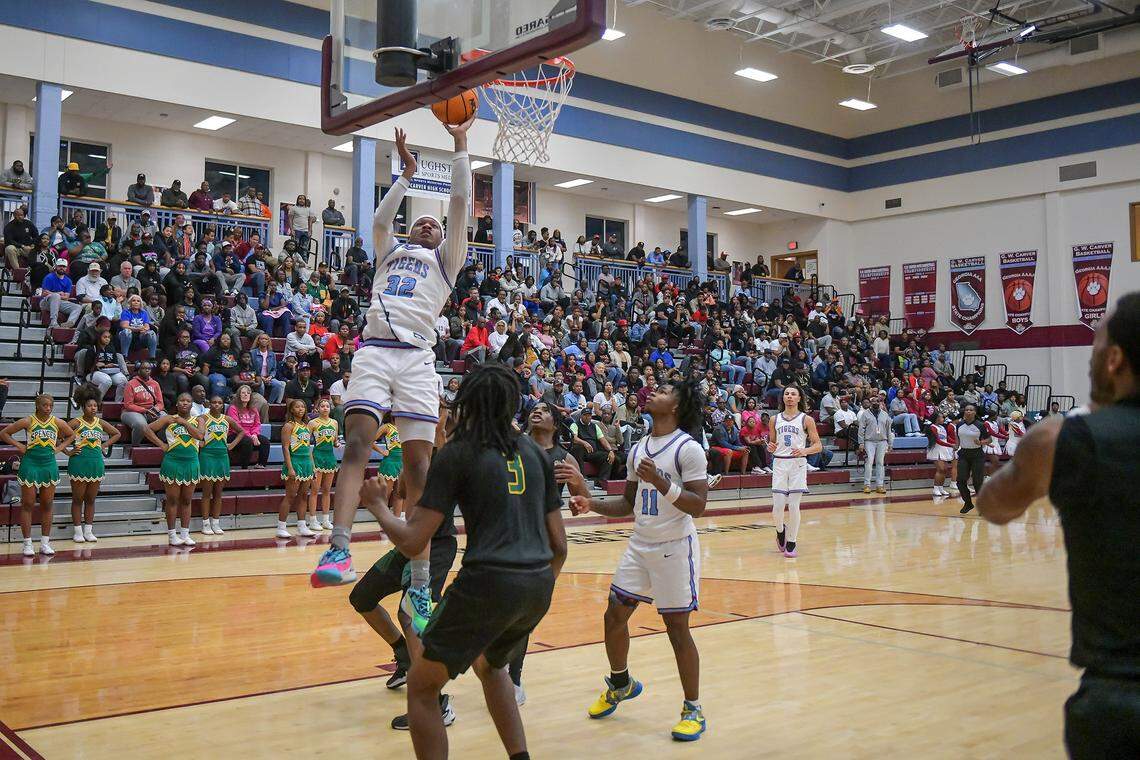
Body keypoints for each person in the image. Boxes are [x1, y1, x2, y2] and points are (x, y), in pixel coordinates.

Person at [310, 112, 475, 634]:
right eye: (420, 222)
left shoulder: (446, 261)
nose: (428, 225)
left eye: (433, 224)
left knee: (419, 470)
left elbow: (459, 205)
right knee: (357, 443)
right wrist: (404, 175)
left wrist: (461, 145)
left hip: (418, 359)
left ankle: (421, 584)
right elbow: (380, 222)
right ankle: (338, 549)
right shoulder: (390, 250)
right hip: (376, 352)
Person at [360, 363, 567, 759]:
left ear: (467, 403)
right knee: (492, 667)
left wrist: (377, 507)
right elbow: (560, 545)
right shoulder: (536, 455)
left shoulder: (458, 453)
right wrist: (534, 586)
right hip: (539, 583)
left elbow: (413, 539)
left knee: (422, 687)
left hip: (487, 583)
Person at [976, 293, 1140, 758]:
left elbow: (994, 505)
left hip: (1119, 693)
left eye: (1094, 345)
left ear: (1114, 359)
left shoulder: (1063, 439)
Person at [561, 378, 709, 741]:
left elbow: (699, 506)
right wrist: (590, 503)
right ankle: (621, 682)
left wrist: (661, 481)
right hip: (640, 544)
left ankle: (693, 708)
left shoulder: (688, 449)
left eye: (664, 390)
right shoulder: (638, 446)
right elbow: (627, 504)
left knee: (677, 630)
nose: (654, 390)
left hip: (675, 547)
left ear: (675, 406)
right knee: (613, 614)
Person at [0, 395, 76, 556]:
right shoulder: (28, 421)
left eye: (51, 405)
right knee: (28, 504)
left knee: (47, 504)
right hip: (30, 464)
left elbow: (72, 435)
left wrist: (59, 448)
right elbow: (5, 433)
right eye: (45, 405)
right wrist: (19, 446)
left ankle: (44, 543)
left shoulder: (57, 422)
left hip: (48, 465)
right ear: (37, 406)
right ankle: (27, 543)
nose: (48, 408)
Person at [767, 385, 822, 558]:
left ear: (799, 398)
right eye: (787, 394)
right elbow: (773, 443)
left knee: (793, 505)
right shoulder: (774, 420)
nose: (789, 396)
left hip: (797, 464)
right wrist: (770, 446)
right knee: (777, 508)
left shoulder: (806, 419)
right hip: (780, 464)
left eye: (793, 394)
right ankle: (780, 531)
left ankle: (791, 542)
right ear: (783, 398)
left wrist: (804, 451)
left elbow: (818, 445)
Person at [143, 394, 204, 546]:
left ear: (192, 405)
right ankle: (172, 535)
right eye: (182, 400)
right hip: (172, 462)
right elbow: (146, 429)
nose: (185, 403)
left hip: (191, 463)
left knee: (187, 500)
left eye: (188, 401)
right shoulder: (168, 419)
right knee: (172, 500)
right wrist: (161, 445)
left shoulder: (199, 420)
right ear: (177, 403)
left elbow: (200, 435)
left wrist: (184, 423)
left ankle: (185, 534)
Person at [64, 389, 121, 543]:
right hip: (79, 462)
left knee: (90, 499)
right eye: (90, 406)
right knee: (78, 499)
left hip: (96, 463)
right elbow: (57, 435)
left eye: (95, 405)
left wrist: (104, 445)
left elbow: (117, 433)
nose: (93, 408)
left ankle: (88, 530)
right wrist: (67, 451)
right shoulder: (76, 422)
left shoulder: (100, 423)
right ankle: (77, 531)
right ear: (83, 407)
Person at [198, 395, 245, 536]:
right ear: (209, 404)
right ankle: (205, 523)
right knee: (206, 493)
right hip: (207, 456)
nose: (216, 405)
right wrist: (198, 442)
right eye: (214, 402)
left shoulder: (227, 419)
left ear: (223, 405)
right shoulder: (202, 418)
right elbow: (195, 433)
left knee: (218, 493)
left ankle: (216, 522)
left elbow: (242, 432)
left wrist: (232, 445)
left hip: (222, 457)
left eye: (219, 402)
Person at [278, 399, 316, 538]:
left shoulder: (306, 426)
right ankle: (281, 526)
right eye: (297, 407)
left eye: (303, 406)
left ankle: (302, 526)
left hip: (306, 464)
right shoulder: (289, 426)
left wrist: (313, 467)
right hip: (294, 463)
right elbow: (285, 448)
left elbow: (308, 448)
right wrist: (290, 468)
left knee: (303, 496)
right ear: (291, 410)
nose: (300, 409)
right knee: (290, 496)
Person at [952, 404, 990, 514]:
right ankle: (968, 503)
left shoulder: (980, 425)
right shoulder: (959, 425)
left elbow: (989, 439)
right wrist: (956, 445)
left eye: (971, 410)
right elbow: (958, 437)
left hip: (977, 454)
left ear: (974, 412)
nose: (968, 411)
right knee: (960, 481)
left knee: (978, 482)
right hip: (963, 453)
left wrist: (981, 442)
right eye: (967, 409)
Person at [308, 399, 338, 533]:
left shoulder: (335, 422)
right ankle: (313, 520)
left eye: (327, 406)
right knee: (315, 490)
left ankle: (326, 519)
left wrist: (337, 444)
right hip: (317, 456)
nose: (325, 408)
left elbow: (335, 441)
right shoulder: (312, 423)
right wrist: (311, 462)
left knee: (327, 490)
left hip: (330, 457)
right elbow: (305, 444)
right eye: (322, 406)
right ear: (317, 408)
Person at [121, 360, 164, 445]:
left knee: (167, 420)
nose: (147, 370)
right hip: (131, 411)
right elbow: (128, 404)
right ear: (139, 370)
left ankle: (157, 443)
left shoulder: (155, 384)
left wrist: (156, 409)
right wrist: (144, 410)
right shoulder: (131, 384)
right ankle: (135, 447)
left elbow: (160, 403)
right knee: (141, 424)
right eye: (144, 368)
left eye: (149, 368)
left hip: (151, 410)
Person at [228, 384, 270, 469]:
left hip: (250, 435)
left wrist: (254, 434)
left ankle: (261, 465)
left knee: (265, 441)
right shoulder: (233, 408)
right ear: (238, 395)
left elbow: (257, 424)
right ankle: (244, 467)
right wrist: (251, 437)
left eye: (248, 393)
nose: (246, 394)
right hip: (234, 435)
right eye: (243, 393)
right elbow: (236, 427)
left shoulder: (253, 409)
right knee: (248, 441)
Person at [857, 395, 893, 494]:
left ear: (880, 403)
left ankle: (879, 485)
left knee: (880, 463)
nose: (876, 403)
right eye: (873, 401)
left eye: (878, 401)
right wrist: (861, 443)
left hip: (882, 441)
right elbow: (861, 429)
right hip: (869, 441)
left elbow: (888, 430)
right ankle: (867, 485)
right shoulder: (865, 414)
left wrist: (890, 443)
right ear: (870, 403)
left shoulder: (885, 414)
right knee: (869, 462)